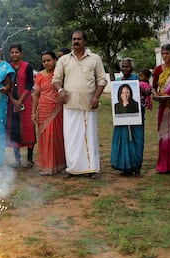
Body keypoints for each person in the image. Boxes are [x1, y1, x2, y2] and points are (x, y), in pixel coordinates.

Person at [52, 30, 107, 178]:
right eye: (74, 39)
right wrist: (60, 90)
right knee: (70, 137)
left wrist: (96, 97)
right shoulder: (64, 60)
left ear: (85, 41)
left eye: (79, 39)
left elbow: (102, 80)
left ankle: (92, 168)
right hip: (69, 103)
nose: (76, 41)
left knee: (89, 137)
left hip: (88, 103)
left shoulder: (95, 59)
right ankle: (72, 168)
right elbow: (56, 79)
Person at [32, 50, 65, 175]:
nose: (46, 63)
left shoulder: (60, 74)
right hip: (43, 109)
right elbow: (36, 95)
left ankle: (59, 164)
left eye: (48, 60)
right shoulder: (40, 75)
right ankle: (46, 165)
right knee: (45, 137)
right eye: (44, 61)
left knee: (56, 136)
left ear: (55, 60)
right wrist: (33, 113)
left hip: (57, 109)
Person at [111, 58, 144, 176]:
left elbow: (147, 92)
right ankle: (125, 167)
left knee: (136, 140)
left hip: (136, 116)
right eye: (123, 67)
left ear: (132, 68)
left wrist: (141, 89)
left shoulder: (137, 79)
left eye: (127, 66)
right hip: (121, 118)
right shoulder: (118, 81)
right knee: (123, 139)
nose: (125, 69)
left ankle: (136, 166)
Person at [152, 44, 170, 173]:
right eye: (163, 54)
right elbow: (153, 87)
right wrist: (155, 94)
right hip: (164, 105)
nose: (165, 56)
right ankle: (164, 166)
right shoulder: (158, 69)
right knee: (164, 135)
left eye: (167, 53)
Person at [7, 44, 36, 168]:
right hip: (12, 102)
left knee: (28, 128)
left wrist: (21, 100)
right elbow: (7, 84)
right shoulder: (8, 67)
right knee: (14, 128)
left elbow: (29, 84)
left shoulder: (27, 66)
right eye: (12, 52)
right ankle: (17, 160)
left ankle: (29, 159)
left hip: (26, 102)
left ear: (21, 53)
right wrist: (13, 101)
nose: (14, 54)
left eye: (16, 52)